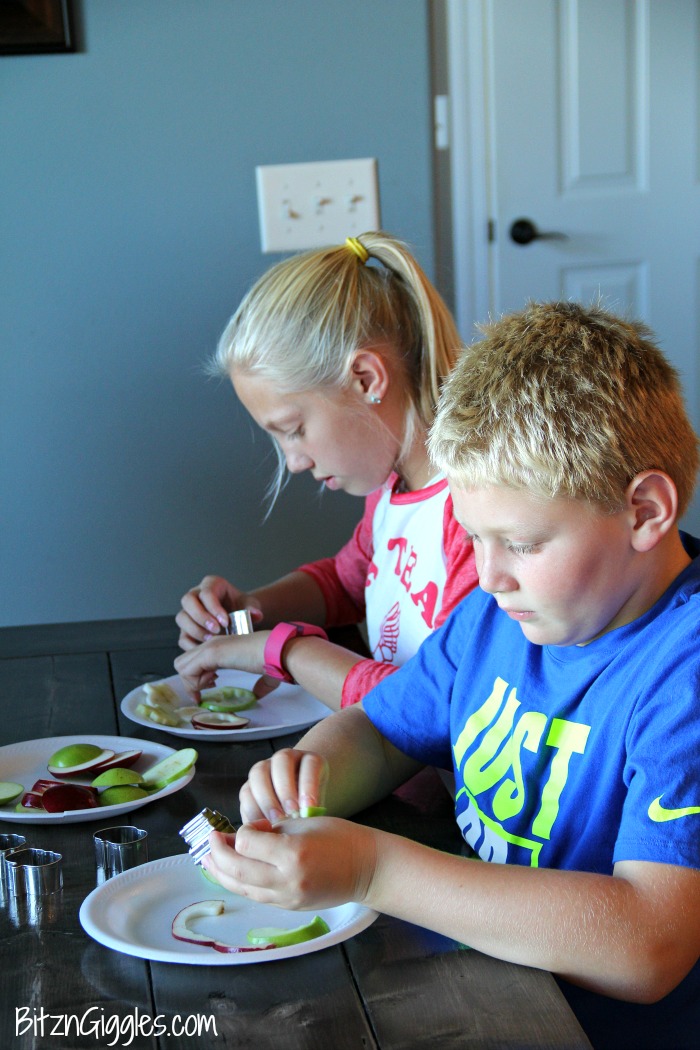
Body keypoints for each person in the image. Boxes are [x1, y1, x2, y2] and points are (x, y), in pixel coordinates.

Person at [201, 301, 700, 1050]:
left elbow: (649, 946)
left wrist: (370, 868)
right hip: (474, 990)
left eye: (521, 543)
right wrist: (304, 778)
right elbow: (382, 731)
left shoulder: (683, 674)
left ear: (644, 511)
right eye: (473, 537)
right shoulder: (498, 618)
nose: (490, 576)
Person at [174, 232, 478, 711]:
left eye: (294, 430)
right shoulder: (393, 485)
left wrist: (285, 652)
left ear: (366, 379)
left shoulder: (477, 516)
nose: (294, 462)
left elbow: (439, 706)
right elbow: (346, 581)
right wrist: (252, 607)